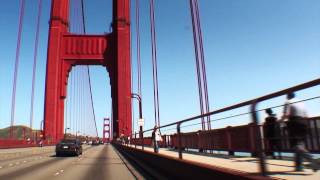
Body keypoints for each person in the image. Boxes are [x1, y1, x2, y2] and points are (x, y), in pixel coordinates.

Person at [282, 92, 319, 171]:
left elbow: (286, 114)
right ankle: (298, 166)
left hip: (294, 123)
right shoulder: (301, 102)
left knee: (295, 145)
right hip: (304, 123)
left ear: (288, 96)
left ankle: (312, 159)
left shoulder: (288, 102)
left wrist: (281, 121)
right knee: (300, 144)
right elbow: (306, 116)